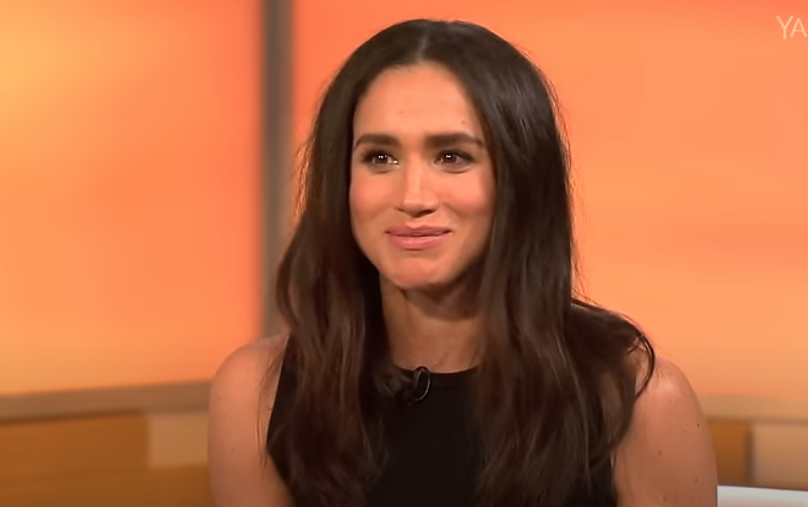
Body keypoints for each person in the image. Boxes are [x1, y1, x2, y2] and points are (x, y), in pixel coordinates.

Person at [208, 18, 717, 507]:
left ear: (519, 178)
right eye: (380, 157)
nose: (412, 197)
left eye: (452, 156)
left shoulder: (638, 402)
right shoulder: (258, 395)